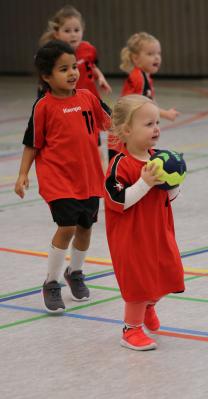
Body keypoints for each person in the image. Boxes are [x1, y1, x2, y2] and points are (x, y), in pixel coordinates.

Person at [14, 40, 111, 313]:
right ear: (46, 76)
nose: (72, 73)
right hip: (59, 179)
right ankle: (52, 282)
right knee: (66, 226)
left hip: (89, 177)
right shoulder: (43, 106)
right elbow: (32, 143)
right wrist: (22, 174)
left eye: (73, 67)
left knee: (85, 228)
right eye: (63, 69)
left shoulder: (88, 98)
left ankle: (75, 272)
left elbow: (111, 121)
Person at [104, 95, 185, 351]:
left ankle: (150, 305)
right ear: (127, 130)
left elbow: (169, 197)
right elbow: (119, 200)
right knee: (138, 284)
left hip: (159, 232)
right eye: (149, 124)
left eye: (157, 122)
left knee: (167, 274)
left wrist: (173, 185)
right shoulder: (120, 164)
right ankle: (132, 329)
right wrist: (144, 183)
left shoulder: (158, 157)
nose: (157, 128)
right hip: (132, 237)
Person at [39, 4, 111, 171]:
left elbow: (91, 66)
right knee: (75, 143)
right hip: (68, 106)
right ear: (57, 33)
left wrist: (100, 78)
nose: (73, 34)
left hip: (89, 103)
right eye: (67, 30)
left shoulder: (88, 49)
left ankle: (103, 178)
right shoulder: (53, 55)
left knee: (96, 142)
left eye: (76, 30)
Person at [108, 32, 180, 161]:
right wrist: (166, 114)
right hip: (122, 133)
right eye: (150, 54)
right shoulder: (138, 78)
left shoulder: (145, 77)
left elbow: (151, 103)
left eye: (158, 53)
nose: (156, 58)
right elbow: (143, 107)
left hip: (129, 130)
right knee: (120, 171)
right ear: (136, 58)